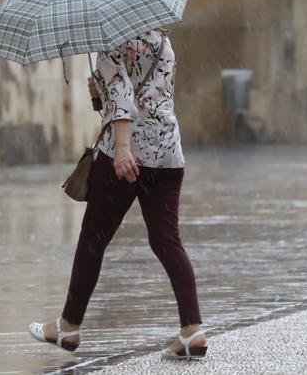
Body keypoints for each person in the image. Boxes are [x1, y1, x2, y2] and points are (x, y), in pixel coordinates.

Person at [28, 28, 206, 360]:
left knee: (92, 240)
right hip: (168, 154)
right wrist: (100, 95)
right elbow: (149, 97)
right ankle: (192, 329)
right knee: (167, 241)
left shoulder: (110, 43)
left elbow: (124, 99)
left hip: (122, 159)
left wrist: (123, 149)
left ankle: (68, 326)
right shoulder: (163, 41)